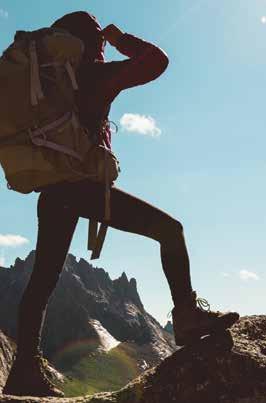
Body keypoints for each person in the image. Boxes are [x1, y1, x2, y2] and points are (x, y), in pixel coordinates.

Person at [3, 11, 239, 397]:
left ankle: (23, 371)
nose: (100, 47)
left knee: (42, 280)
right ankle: (187, 318)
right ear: (90, 42)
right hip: (82, 187)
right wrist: (119, 38)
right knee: (170, 230)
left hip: (53, 192)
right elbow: (156, 62)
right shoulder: (95, 75)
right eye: (97, 40)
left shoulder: (46, 81)